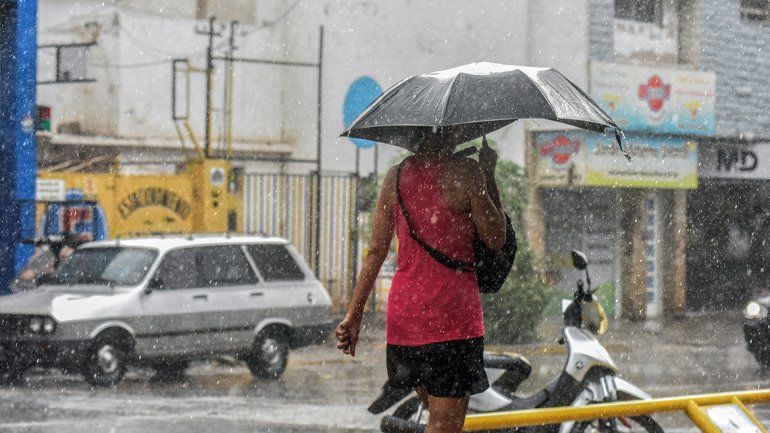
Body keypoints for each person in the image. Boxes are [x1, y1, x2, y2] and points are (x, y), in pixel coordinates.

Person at [336, 133, 507, 433]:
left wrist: (354, 315)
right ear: (454, 133)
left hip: (405, 323)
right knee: (445, 425)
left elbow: (375, 251)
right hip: (451, 320)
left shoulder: (395, 177)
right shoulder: (467, 173)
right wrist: (489, 179)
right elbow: (496, 238)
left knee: (438, 419)